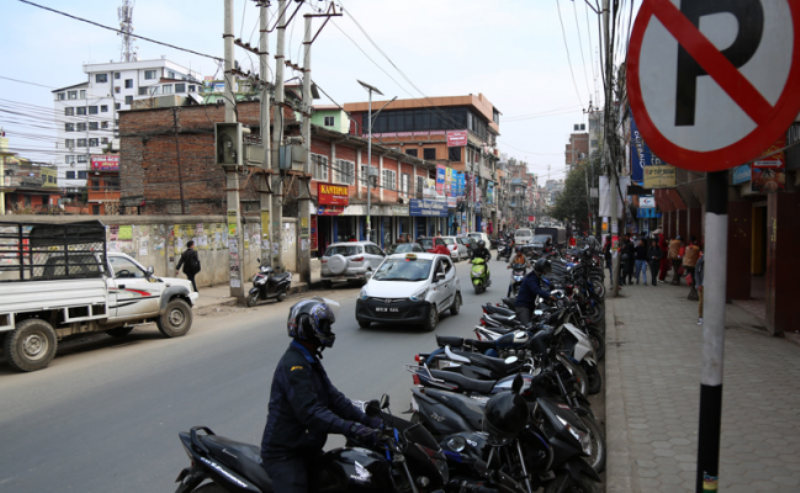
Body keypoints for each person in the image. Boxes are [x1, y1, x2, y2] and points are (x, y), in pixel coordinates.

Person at [260, 298, 383, 493]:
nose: (329, 331)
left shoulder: (309, 360)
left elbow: (335, 399)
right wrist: (350, 428)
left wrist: (369, 421)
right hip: (286, 454)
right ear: (309, 327)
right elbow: (310, 412)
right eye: (325, 326)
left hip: (307, 449)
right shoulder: (294, 366)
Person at [514, 259, 557, 324]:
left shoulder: (536, 277)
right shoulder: (531, 278)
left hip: (530, 305)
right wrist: (548, 296)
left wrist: (547, 301)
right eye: (545, 271)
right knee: (527, 327)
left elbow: (538, 293)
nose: (545, 274)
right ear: (540, 270)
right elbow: (536, 290)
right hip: (523, 306)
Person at [696, 252, 705, 325]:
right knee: (701, 302)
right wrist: (699, 284)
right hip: (703, 284)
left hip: (712, 286)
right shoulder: (701, 259)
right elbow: (697, 272)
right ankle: (701, 317)